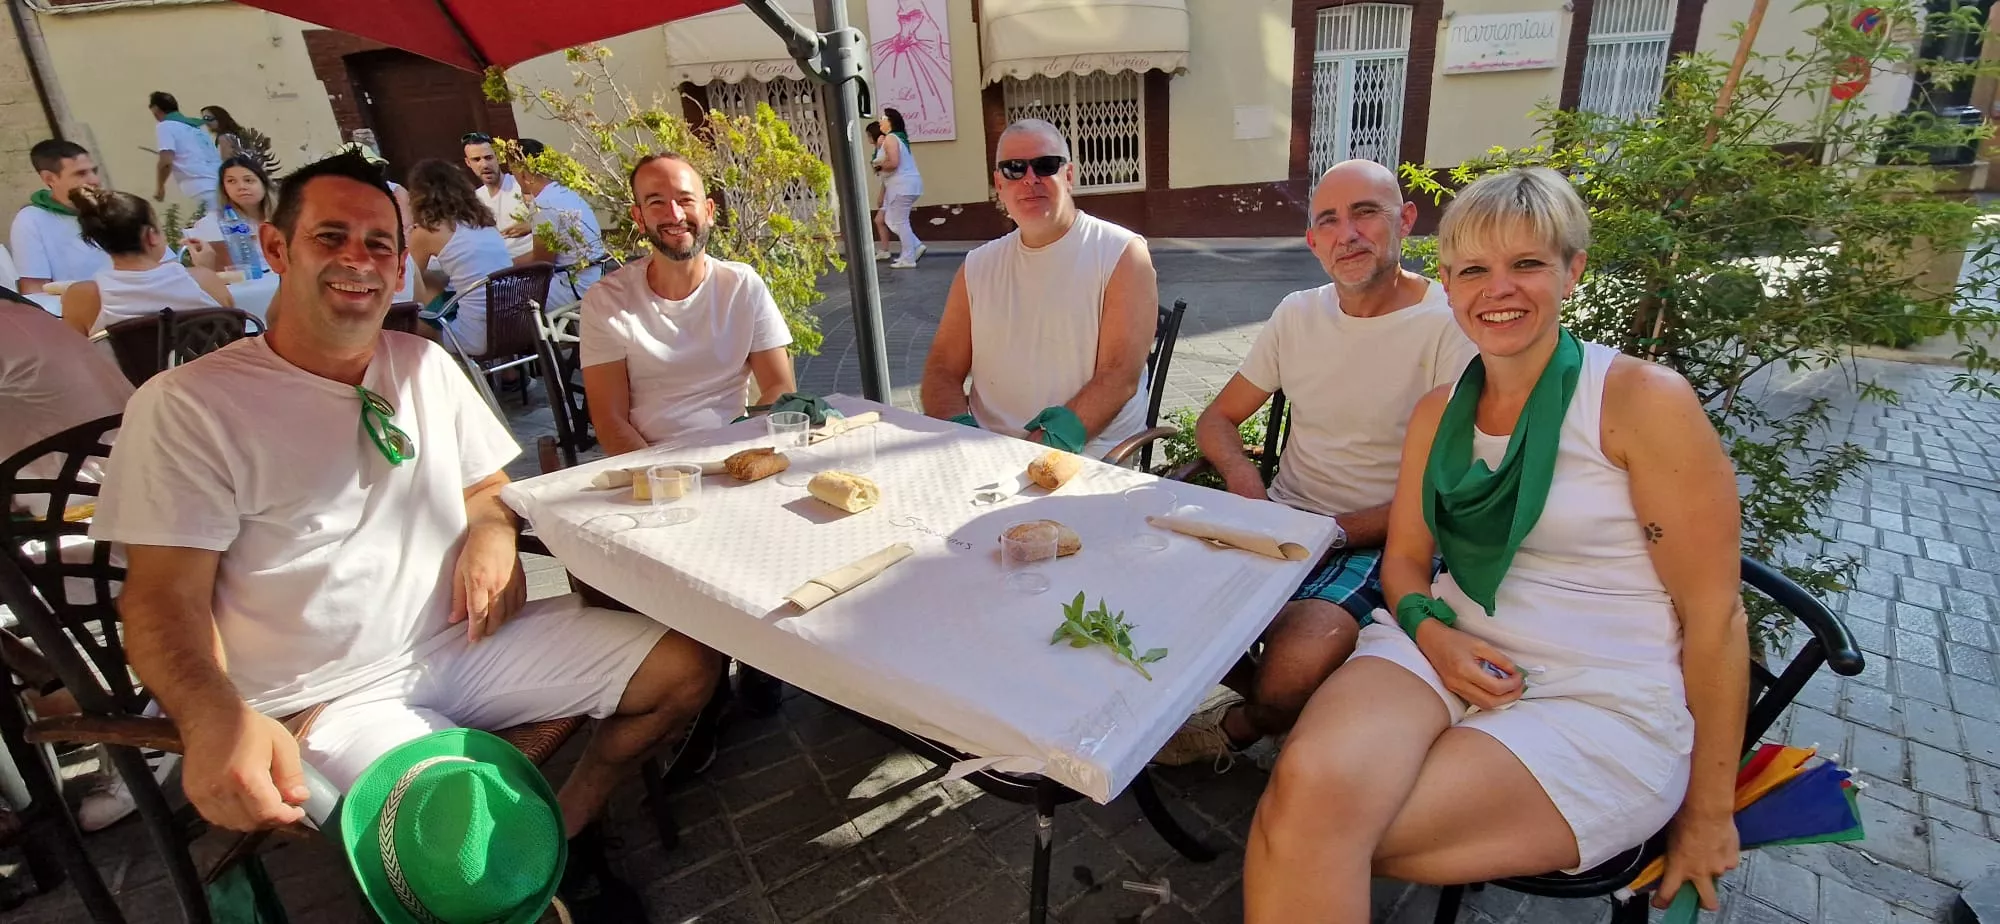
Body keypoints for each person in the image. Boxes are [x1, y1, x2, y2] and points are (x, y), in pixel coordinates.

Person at [89, 150, 722, 921]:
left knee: (689, 665)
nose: (360, 260)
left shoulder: (422, 363)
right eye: (332, 237)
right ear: (277, 249)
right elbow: (161, 601)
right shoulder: (190, 406)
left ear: (399, 267)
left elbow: (489, 487)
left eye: (379, 244)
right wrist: (212, 714)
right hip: (327, 699)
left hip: (469, 643)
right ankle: (525, 882)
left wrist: (491, 526)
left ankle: (567, 825)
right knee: (458, 849)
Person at [1243, 168, 1747, 922]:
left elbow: (1716, 618)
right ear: (1447, 282)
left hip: (1597, 687)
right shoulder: (1439, 414)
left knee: (1317, 832)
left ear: (1573, 270)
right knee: (1302, 801)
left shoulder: (1641, 402)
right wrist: (1435, 638)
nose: (1497, 289)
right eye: (1474, 269)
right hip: (1442, 642)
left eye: (1528, 264)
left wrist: (1710, 813)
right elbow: (1407, 564)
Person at [1153, 160, 1477, 767]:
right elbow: (1217, 419)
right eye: (1328, 220)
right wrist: (1251, 491)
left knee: (1293, 666)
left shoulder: (1447, 329)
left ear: (1405, 220)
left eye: (1365, 212)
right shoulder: (1298, 314)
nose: (1346, 234)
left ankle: (1241, 725)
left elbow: (1445, 492)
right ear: (1312, 241)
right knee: (1147, 595)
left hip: (1386, 538)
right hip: (1283, 520)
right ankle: (1300, 707)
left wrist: (1330, 532)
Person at [919, 118, 1158, 459]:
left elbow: (1119, 376)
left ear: (1070, 176)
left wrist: (1037, 452)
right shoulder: (977, 266)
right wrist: (960, 434)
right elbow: (942, 368)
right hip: (986, 451)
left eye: (1045, 165)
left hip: (1087, 454)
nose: (1030, 179)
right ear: (999, 184)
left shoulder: (1121, 253)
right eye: (1015, 169)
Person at [580, 153, 795, 454]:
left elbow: (780, 388)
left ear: (708, 210)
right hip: (653, 466)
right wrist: (662, 478)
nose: (675, 214)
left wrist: (749, 452)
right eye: (656, 202)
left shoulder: (742, 286)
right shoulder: (606, 301)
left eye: (685, 200)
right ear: (639, 219)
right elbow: (609, 421)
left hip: (737, 452)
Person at [61, 187, 234, 337]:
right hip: (205, 373)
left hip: (130, 376)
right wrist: (205, 270)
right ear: (151, 235)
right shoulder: (204, 280)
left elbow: (77, 356)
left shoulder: (82, 297)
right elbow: (233, 333)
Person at [404, 158, 516, 356]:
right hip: (515, 327)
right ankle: (510, 376)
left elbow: (407, 279)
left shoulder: (428, 231)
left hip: (477, 338)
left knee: (407, 324)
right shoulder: (483, 221)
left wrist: (408, 239)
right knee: (433, 281)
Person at [512, 138, 605, 310]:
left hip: (575, 285)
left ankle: (537, 336)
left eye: (513, 172)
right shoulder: (564, 190)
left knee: (507, 297)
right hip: (595, 273)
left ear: (522, 173)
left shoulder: (542, 204)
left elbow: (542, 263)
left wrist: (508, 263)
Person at [10, 139, 111, 294]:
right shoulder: (30, 221)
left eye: (94, 171)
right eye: (81, 173)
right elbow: (35, 291)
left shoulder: (114, 209)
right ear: (49, 179)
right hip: (77, 313)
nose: (95, 180)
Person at [183, 155, 277, 273]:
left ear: (264, 184)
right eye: (231, 181)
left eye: (248, 180)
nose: (241, 187)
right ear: (224, 188)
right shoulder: (213, 223)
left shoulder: (285, 216)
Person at [463, 131, 532, 258]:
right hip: (497, 266)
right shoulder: (473, 200)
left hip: (531, 261)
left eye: (488, 157)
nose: (484, 165)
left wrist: (533, 225)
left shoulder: (521, 185)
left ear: (498, 157)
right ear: (468, 163)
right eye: (476, 159)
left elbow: (558, 218)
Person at [148, 91, 221, 210]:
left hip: (202, 186)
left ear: (155, 109)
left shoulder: (165, 126)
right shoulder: (196, 126)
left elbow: (166, 161)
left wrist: (160, 187)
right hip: (220, 181)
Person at [874, 108, 924, 268]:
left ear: (890, 121)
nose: (880, 121)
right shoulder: (897, 138)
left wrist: (878, 165)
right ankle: (915, 246)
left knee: (899, 221)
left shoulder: (891, 139)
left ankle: (908, 258)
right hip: (906, 185)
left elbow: (893, 163)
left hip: (901, 185)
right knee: (891, 220)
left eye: (882, 118)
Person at [199, 106, 282, 176]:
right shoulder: (237, 134)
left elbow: (227, 163)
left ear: (219, 118)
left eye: (208, 118)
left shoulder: (224, 138)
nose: (206, 122)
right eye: (203, 119)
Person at [866, 123, 893, 262]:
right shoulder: (878, 149)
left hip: (892, 189)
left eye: (869, 135)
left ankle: (913, 245)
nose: (868, 139)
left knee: (893, 221)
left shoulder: (883, 148)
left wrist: (882, 194)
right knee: (880, 220)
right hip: (888, 188)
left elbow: (886, 173)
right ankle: (884, 249)